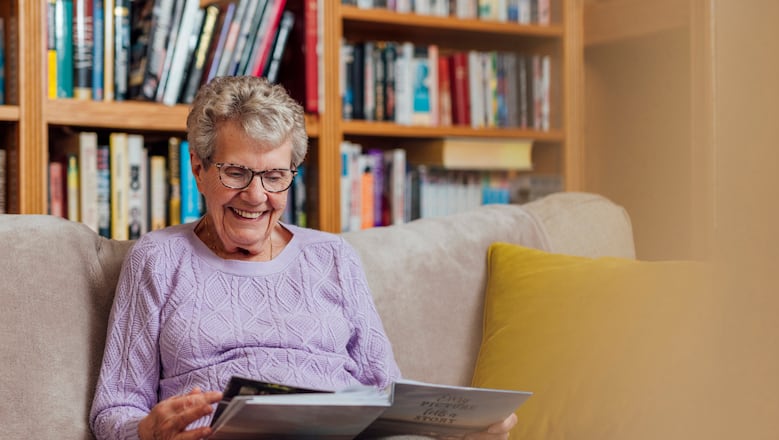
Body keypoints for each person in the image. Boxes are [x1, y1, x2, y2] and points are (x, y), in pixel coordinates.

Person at [89, 76, 517, 440]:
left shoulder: (332, 256)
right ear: (198, 168)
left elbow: (385, 391)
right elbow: (113, 409)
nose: (256, 196)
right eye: (236, 172)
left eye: (275, 176)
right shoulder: (159, 259)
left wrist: (457, 425)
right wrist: (145, 433)